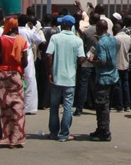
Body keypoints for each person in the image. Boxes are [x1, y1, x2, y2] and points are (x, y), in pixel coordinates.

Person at [46, 14, 86, 142]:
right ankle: (64, 134)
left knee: (54, 106)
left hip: (57, 77)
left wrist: (49, 72)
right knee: (68, 107)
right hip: (70, 79)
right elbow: (81, 59)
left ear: (63, 24)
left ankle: (53, 132)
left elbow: (49, 55)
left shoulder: (55, 38)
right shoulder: (78, 40)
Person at [0, 18, 28, 149]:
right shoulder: (22, 41)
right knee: (17, 106)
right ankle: (15, 139)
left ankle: (1, 138)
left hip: (1, 75)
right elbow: (25, 62)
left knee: (1, 105)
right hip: (16, 76)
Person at [90, 19, 118, 141]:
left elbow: (102, 61)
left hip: (103, 77)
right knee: (106, 105)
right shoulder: (112, 39)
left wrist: (92, 60)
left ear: (98, 28)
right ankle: (101, 129)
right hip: (113, 76)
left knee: (102, 106)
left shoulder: (101, 43)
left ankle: (104, 132)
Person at [17, 14, 45, 115]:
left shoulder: (15, 30)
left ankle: (17, 105)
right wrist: (33, 28)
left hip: (16, 55)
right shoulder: (28, 31)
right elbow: (39, 40)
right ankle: (29, 107)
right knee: (30, 80)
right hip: (27, 56)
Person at [74, 11, 98, 116]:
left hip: (87, 61)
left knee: (83, 85)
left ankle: (79, 109)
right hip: (98, 61)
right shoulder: (103, 31)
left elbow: (82, 45)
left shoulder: (87, 32)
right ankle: (98, 107)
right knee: (97, 85)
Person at [112, 23, 131, 112]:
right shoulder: (128, 37)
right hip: (125, 63)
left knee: (118, 85)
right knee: (125, 85)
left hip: (117, 64)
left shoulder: (115, 38)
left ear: (115, 29)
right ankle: (127, 105)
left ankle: (119, 106)